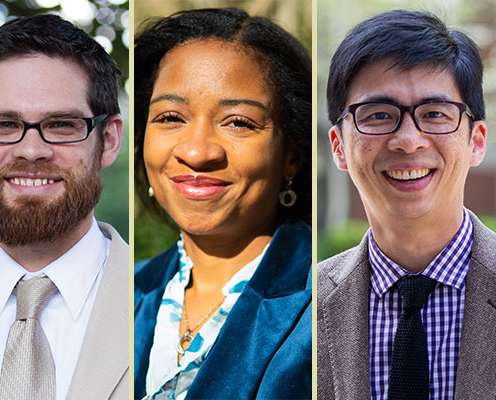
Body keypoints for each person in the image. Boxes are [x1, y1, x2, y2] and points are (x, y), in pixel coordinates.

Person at [0, 14, 128, 400]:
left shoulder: (160, 303)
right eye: (4, 124)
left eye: (62, 124)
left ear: (109, 140)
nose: (31, 150)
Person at [134, 7, 312, 399]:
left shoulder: (328, 301)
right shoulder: (126, 291)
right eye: (170, 117)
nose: (197, 152)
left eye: (238, 122)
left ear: (292, 157)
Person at [318, 9, 495, 400]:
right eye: (379, 115)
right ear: (338, 147)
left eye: (434, 114)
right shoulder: (304, 307)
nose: (408, 140)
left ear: (476, 140)